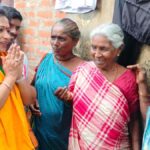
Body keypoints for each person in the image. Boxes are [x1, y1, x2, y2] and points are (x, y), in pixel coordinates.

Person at [55, 23, 141, 149]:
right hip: (84, 144)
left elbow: (134, 120)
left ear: (119, 49)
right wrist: (68, 98)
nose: (97, 54)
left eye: (103, 48)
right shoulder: (83, 71)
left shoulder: (128, 79)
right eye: (94, 47)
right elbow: (77, 103)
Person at [31, 18, 85, 150]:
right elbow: (33, 85)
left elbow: (88, 105)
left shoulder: (83, 68)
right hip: (40, 129)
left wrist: (70, 99)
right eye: (53, 37)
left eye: (61, 39)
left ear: (75, 41)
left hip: (64, 133)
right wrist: (32, 101)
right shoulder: (46, 59)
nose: (55, 43)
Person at [0, 9, 36, 149]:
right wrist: (10, 77)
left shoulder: (9, 57)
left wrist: (18, 76)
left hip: (16, 137)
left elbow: (27, 100)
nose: (8, 36)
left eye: (7, 30)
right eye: (1, 30)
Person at [0, 5, 29, 79]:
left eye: (17, 28)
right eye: (10, 26)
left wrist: (18, 78)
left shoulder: (20, 57)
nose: (14, 31)